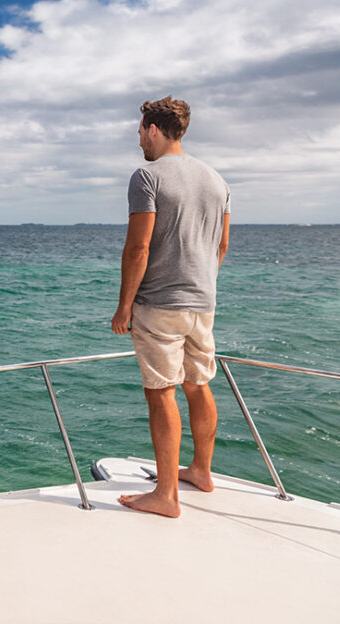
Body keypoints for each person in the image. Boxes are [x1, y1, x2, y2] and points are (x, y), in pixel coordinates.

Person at [111, 96, 231, 518]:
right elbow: (221, 245)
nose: (138, 138)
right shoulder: (217, 180)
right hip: (204, 302)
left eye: (141, 130)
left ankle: (165, 496)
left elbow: (138, 247)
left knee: (160, 391)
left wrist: (124, 306)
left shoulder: (147, 176)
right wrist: (201, 284)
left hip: (160, 304)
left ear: (155, 130)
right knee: (198, 385)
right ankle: (201, 471)